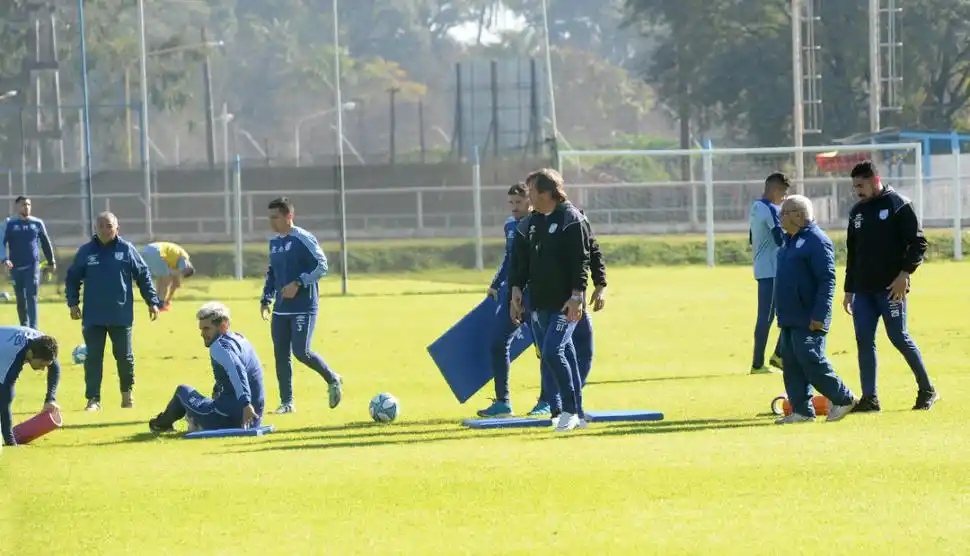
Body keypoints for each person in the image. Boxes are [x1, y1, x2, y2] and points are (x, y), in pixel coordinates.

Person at [843, 160, 938, 412]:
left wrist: (905, 273)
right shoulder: (857, 212)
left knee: (898, 336)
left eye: (860, 185)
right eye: (854, 187)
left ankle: (927, 389)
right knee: (864, 340)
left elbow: (918, 243)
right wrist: (848, 289)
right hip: (862, 290)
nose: (857, 191)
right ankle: (870, 399)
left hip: (890, 288)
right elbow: (852, 253)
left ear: (875, 180)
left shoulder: (899, 205)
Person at [509, 168, 591, 432]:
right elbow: (520, 261)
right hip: (540, 303)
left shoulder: (571, 219)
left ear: (546, 192)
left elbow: (582, 261)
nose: (528, 195)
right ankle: (569, 411)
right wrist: (516, 290)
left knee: (554, 351)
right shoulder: (531, 223)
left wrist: (578, 296)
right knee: (557, 353)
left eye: (532, 191)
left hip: (565, 303)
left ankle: (569, 412)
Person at [773, 195, 857, 424]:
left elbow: (827, 280)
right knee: (790, 363)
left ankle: (843, 398)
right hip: (789, 314)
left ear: (799, 215)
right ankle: (801, 411)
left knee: (810, 358)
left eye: (784, 213)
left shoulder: (816, 240)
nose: (780, 217)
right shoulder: (789, 239)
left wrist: (819, 314)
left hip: (810, 315)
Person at [65, 212, 160, 411]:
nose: (105, 230)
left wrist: (151, 301)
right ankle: (93, 400)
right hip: (93, 316)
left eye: (109, 226)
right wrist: (73, 303)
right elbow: (73, 278)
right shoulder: (86, 252)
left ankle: (127, 396)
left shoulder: (126, 249)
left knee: (124, 357)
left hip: (120, 314)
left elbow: (143, 275)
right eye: (101, 226)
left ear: (117, 227)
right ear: (95, 229)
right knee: (93, 358)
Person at [260, 197, 343, 414]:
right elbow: (272, 273)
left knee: (301, 352)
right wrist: (266, 299)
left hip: (303, 306)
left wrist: (299, 282)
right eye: (269, 218)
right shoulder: (275, 242)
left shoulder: (303, 238)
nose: (272, 222)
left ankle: (332, 378)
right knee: (280, 355)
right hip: (280, 309)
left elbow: (322, 266)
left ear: (289, 216)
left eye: (276, 217)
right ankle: (287, 403)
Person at [149, 302, 264, 433]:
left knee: (182, 391)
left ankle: (161, 425)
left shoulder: (219, 346)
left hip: (231, 417)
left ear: (223, 326)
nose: (202, 334)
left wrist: (246, 404)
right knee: (215, 392)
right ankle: (196, 421)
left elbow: (237, 371)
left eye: (207, 329)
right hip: (254, 419)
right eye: (201, 329)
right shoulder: (241, 339)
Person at [748, 173, 789, 374]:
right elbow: (781, 240)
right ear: (775, 190)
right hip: (773, 270)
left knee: (768, 315)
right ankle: (765, 361)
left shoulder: (756, 207)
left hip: (763, 268)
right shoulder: (771, 209)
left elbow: (751, 238)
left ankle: (770, 358)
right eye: (783, 193)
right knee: (778, 314)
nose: (784, 198)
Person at [0, 196, 56, 329]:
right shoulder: (9, 223)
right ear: (17, 207)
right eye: (23, 204)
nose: (26, 207)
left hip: (32, 266)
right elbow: (1, 242)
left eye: (29, 204)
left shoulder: (37, 223)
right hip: (15, 267)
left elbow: (46, 243)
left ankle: (33, 328)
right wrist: (4, 259)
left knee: (31, 296)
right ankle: (24, 326)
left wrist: (51, 261)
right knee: (20, 299)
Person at [0, 327, 60, 446]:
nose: (43, 368)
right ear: (32, 354)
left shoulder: (42, 343)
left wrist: (50, 399)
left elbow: (55, 369)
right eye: (42, 364)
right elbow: (4, 399)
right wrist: (11, 441)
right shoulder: (12, 359)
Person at [140, 241, 195, 311]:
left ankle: (155, 303)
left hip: (146, 249)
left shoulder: (175, 258)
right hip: (158, 253)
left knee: (161, 280)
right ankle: (160, 305)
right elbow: (177, 280)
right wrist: (169, 299)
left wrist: (169, 298)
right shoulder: (185, 259)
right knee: (166, 282)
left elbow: (175, 280)